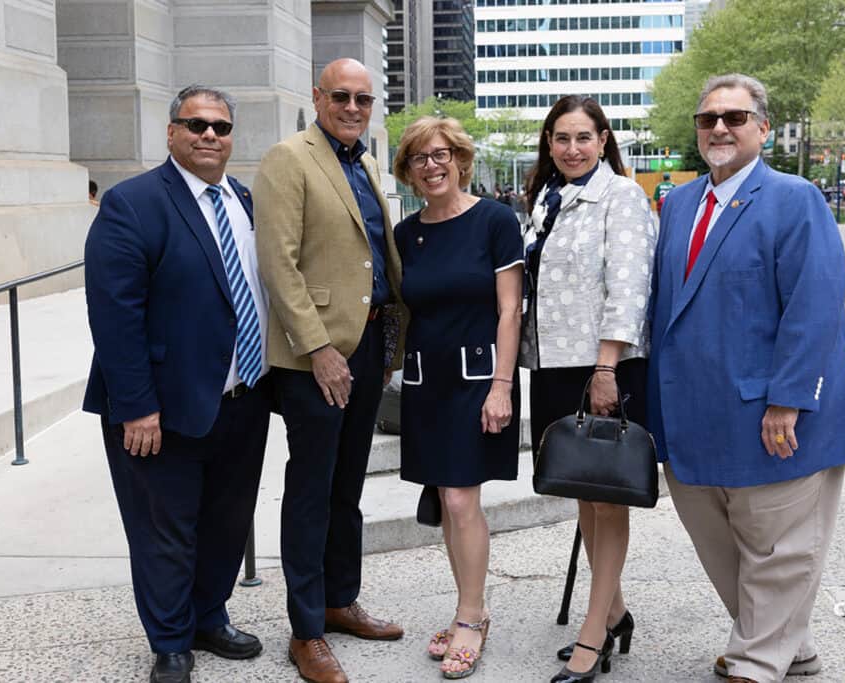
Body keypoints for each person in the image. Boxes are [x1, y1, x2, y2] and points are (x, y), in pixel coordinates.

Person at [647, 74, 845, 683]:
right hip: (695, 414)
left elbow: (815, 304)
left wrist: (789, 400)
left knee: (780, 546)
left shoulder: (795, 198)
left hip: (777, 413)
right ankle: (787, 644)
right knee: (717, 539)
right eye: (708, 119)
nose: (720, 128)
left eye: (735, 117)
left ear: (763, 129)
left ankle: (755, 663)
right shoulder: (678, 203)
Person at [83, 84, 271, 683]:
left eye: (219, 127)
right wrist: (136, 407)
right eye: (195, 125)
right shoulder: (132, 203)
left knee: (226, 519)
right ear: (171, 133)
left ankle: (208, 617)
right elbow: (114, 315)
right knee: (164, 529)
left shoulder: (241, 199)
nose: (209, 136)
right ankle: (169, 641)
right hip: (159, 408)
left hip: (242, 396)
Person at [253, 58, 405, 683]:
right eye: (340, 96)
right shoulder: (289, 158)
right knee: (312, 492)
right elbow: (278, 265)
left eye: (363, 99)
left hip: (366, 350)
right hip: (317, 359)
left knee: (348, 488)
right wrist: (318, 349)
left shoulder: (363, 161)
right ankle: (307, 630)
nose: (351, 107)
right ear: (317, 97)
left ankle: (342, 600)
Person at [520, 95, 657, 683]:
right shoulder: (545, 201)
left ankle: (594, 632)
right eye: (560, 138)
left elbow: (629, 289)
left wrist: (605, 369)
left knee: (608, 499)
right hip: (553, 362)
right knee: (582, 490)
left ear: (603, 140)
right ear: (548, 144)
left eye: (583, 137)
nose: (571, 149)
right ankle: (616, 610)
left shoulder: (621, 196)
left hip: (603, 365)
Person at [391, 116, 524, 679]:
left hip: (476, 382)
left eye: (441, 154)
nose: (432, 165)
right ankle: (470, 604)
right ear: (409, 171)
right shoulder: (405, 234)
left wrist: (501, 387)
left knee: (464, 500)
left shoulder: (494, 221)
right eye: (420, 157)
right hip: (426, 382)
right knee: (447, 500)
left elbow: (510, 310)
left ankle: (472, 617)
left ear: (460, 159)